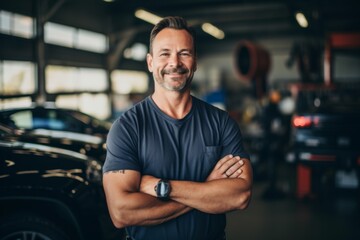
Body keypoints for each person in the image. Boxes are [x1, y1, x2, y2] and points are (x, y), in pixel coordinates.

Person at [102, 16, 253, 240]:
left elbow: (240, 195)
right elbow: (121, 212)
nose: (175, 62)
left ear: (195, 61)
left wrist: (162, 187)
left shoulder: (221, 122)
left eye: (184, 53)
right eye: (165, 53)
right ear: (150, 62)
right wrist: (207, 188)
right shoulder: (127, 128)